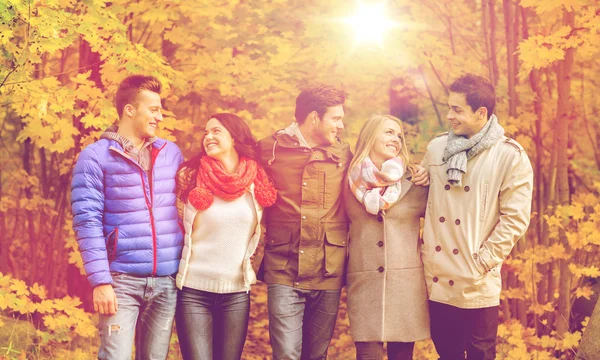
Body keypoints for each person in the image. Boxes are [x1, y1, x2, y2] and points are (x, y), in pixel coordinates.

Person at [421, 74, 533, 360]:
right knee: (447, 354)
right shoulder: (437, 148)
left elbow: (515, 219)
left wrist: (482, 261)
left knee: (481, 355)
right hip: (439, 277)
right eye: (449, 108)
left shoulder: (510, 156)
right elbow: (423, 201)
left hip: (477, 283)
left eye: (457, 109)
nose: (449, 116)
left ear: (481, 112)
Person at [71, 75, 183, 359]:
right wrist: (101, 281)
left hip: (166, 282)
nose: (160, 116)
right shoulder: (95, 156)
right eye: (153, 109)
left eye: (160, 109)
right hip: (121, 281)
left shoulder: (171, 153)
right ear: (129, 110)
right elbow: (87, 221)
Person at [256, 85, 352, 360]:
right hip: (284, 268)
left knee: (316, 356)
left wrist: (415, 172)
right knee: (286, 354)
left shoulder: (345, 154)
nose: (341, 125)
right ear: (313, 118)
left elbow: (379, 168)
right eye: (335, 118)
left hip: (327, 269)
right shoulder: (269, 149)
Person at [174, 113, 277, 360]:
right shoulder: (190, 178)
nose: (208, 137)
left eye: (216, 131)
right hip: (193, 292)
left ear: (235, 137)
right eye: (206, 132)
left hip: (236, 295)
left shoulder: (256, 183)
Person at [344, 114, 431, 360]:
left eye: (399, 135)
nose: (396, 139)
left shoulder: (414, 180)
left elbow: (440, 224)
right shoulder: (348, 181)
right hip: (364, 284)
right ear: (370, 136)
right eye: (389, 132)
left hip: (406, 287)